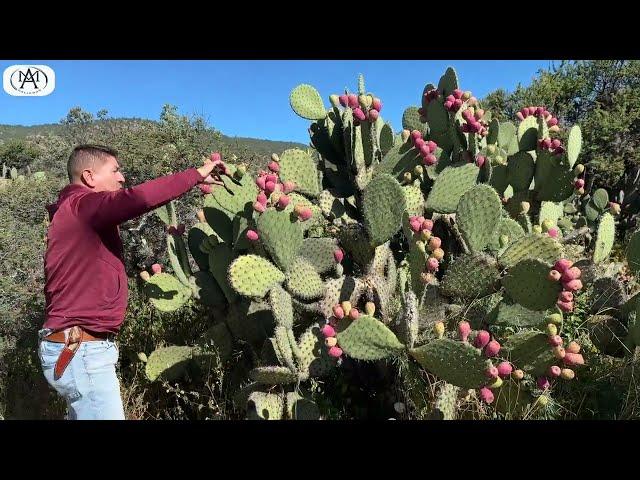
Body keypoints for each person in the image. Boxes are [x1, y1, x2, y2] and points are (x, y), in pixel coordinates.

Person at [38, 144, 223, 420]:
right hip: (81, 349)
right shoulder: (82, 207)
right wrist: (195, 174)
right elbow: (138, 199)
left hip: (75, 346)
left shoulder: (73, 214)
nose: (122, 177)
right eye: (115, 170)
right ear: (89, 177)